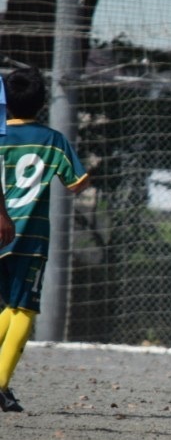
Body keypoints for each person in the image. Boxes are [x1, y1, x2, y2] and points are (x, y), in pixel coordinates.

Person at [0, 67, 90, 412]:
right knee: (24, 309)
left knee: (9, 305)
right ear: (42, 102)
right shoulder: (51, 139)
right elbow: (76, 183)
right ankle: (1, 382)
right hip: (28, 236)